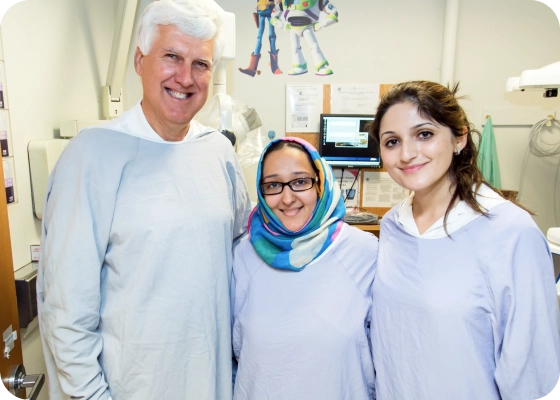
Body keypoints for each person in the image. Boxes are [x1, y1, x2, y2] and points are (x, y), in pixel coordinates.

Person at [37, 1, 251, 399]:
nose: (185, 77)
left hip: (214, 382)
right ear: (139, 60)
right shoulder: (92, 156)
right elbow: (66, 312)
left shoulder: (217, 152)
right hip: (130, 386)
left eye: (200, 64)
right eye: (172, 56)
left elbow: (241, 262)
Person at [368, 80, 560, 400]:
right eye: (392, 141)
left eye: (424, 134)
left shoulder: (510, 232)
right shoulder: (392, 227)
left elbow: (532, 370)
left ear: (459, 139)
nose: (407, 153)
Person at [231, 137, 377, 399]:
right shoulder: (243, 255)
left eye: (300, 182)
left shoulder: (364, 253)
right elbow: (234, 353)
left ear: (320, 183)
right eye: (273, 185)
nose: (287, 198)